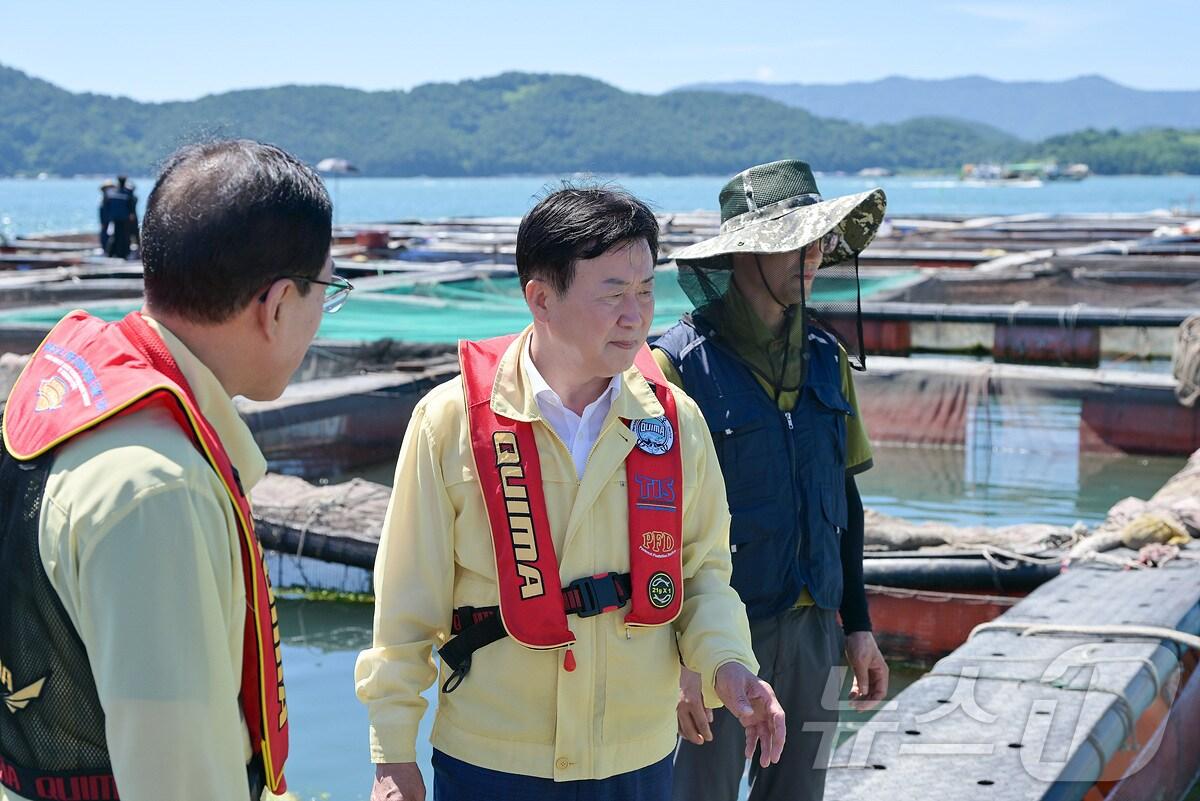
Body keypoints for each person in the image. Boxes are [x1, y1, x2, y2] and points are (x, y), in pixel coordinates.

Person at [355, 185, 785, 801]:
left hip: (637, 757)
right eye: (612, 293)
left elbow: (702, 575)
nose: (635, 315)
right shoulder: (449, 422)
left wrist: (729, 664)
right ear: (541, 299)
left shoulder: (674, 422)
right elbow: (405, 605)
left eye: (645, 291)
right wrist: (392, 753)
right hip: (491, 759)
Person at [0, 139, 352, 801]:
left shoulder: (71, 388)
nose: (320, 322)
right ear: (277, 304)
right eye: (327, 292)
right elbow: (180, 781)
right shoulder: (161, 490)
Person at [654, 159, 891, 801]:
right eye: (794, 242)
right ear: (742, 253)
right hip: (716, 636)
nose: (813, 257)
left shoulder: (826, 358)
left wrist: (857, 624)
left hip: (815, 627)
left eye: (818, 241)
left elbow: (845, 500)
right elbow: (652, 528)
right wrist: (680, 660)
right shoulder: (674, 368)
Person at [100, 176, 139, 258]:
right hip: (125, 218)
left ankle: (115, 253)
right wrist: (131, 214)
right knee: (125, 236)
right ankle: (124, 253)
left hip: (115, 218)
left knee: (116, 235)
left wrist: (109, 217)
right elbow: (131, 204)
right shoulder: (127, 192)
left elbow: (109, 205)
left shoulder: (113, 193)